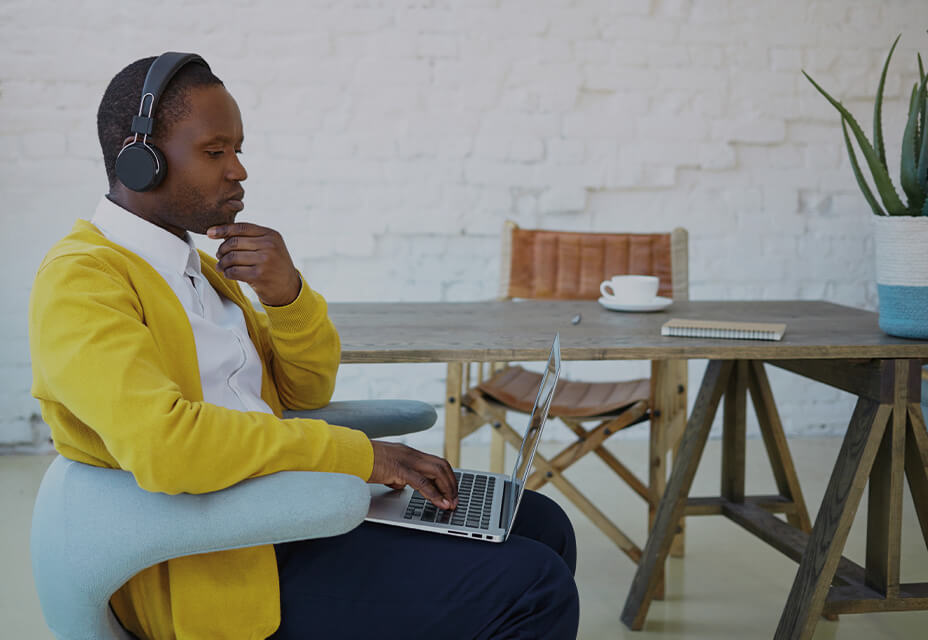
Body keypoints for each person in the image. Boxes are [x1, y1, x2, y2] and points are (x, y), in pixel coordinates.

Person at [28, 53, 579, 640]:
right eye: (216, 152)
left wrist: (286, 295)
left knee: (541, 524)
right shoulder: (83, 279)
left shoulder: (196, 269)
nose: (238, 170)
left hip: (287, 512)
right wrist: (365, 457)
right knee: (532, 585)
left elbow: (305, 390)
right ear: (140, 161)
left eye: (239, 149)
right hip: (213, 558)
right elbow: (168, 445)